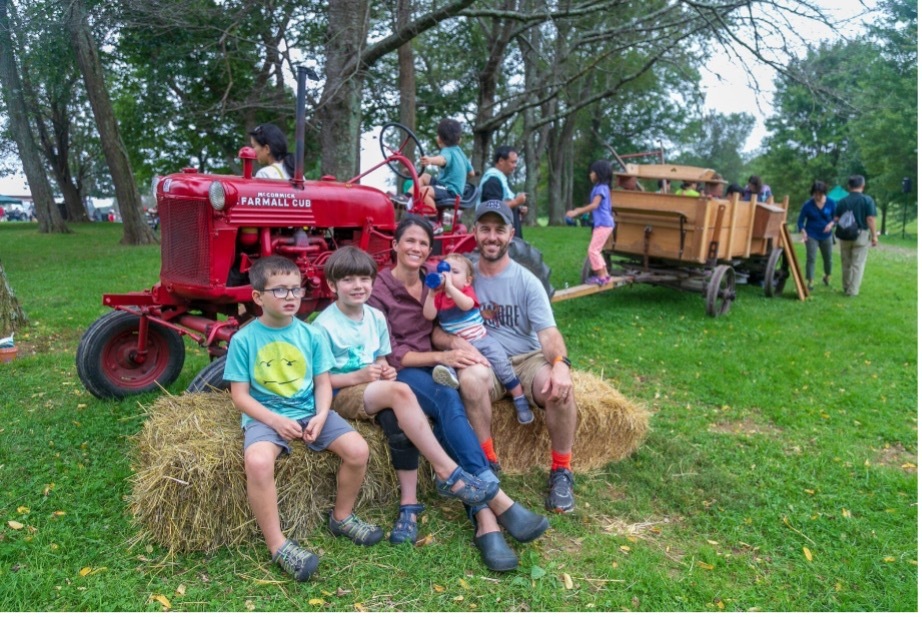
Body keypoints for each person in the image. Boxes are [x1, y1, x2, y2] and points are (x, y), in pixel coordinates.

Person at [368, 215, 549, 572]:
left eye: (423, 243)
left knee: (450, 401)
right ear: (395, 245)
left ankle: (487, 519)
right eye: (410, 241)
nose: (416, 248)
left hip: (436, 367)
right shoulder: (378, 290)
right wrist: (444, 354)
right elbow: (391, 353)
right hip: (402, 369)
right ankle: (496, 506)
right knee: (444, 400)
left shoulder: (434, 279)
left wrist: (454, 345)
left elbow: (445, 324)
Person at [312, 247, 499, 544]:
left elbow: (382, 359)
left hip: (372, 387)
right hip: (341, 391)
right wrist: (359, 376)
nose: (358, 286)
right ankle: (448, 471)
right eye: (348, 280)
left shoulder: (374, 317)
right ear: (332, 286)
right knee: (401, 391)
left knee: (397, 409)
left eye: (364, 279)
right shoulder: (323, 326)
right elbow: (320, 380)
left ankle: (411, 502)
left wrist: (385, 370)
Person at [223, 255, 383, 582]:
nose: (291, 297)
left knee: (358, 450)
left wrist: (323, 415)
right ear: (258, 297)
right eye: (280, 290)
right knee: (257, 462)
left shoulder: (311, 335)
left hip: (310, 411)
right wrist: (276, 421)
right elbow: (239, 396)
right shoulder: (244, 340)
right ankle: (278, 544)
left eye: (296, 289)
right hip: (266, 417)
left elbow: (323, 383)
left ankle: (342, 517)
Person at [435, 200, 579, 514]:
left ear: (511, 234)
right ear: (474, 232)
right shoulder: (461, 273)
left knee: (558, 391)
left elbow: (548, 334)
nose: (492, 236)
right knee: (471, 381)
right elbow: (436, 327)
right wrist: (454, 342)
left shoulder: (527, 281)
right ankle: (487, 464)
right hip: (484, 359)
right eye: (485, 229)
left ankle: (561, 471)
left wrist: (560, 366)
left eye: (499, 229)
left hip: (526, 359)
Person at [422, 252, 535, 425]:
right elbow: (429, 316)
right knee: (448, 361)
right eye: (444, 270)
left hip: (482, 340)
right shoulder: (439, 297)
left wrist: (450, 287)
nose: (447, 275)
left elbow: (466, 304)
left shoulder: (467, 291)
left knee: (501, 363)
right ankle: (450, 378)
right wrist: (431, 294)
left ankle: (519, 398)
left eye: (454, 271)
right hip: (457, 347)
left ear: (467, 280)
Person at [565, 160, 615, 286]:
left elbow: (594, 205)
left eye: (592, 172)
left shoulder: (602, 188)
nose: (590, 174)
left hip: (604, 223)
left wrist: (578, 211)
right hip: (603, 223)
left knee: (593, 250)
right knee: (596, 250)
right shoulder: (599, 187)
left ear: (600, 173)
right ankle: (605, 275)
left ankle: (601, 277)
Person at [417, 118, 475, 213]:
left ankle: (432, 220)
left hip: (449, 190)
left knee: (423, 192)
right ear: (459, 140)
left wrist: (430, 160)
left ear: (439, 138)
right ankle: (407, 198)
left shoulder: (447, 151)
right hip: (447, 187)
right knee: (424, 177)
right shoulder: (461, 153)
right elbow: (471, 173)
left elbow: (442, 160)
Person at [833, 175, 878, 296]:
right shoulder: (867, 200)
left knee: (846, 262)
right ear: (863, 186)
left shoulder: (842, 201)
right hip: (861, 234)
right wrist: (874, 236)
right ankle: (852, 291)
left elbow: (836, 218)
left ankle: (846, 286)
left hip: (844, 235)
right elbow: (870, 219)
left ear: (849, 186)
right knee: (857, 264)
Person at [480, 145, 528, 238]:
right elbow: (493, 208)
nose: (515, 166)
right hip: (498, 237)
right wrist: (516, 202)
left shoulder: (502, 180)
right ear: (501, 161)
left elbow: (504, 204)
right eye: (512, 162)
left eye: (516, 162)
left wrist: (518, 210)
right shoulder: (492, 180)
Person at [797, 181, 836, 291]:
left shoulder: (831, 203)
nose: (817, 196)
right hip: (811, 234)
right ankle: (810, 281)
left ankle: (827, 276)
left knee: (828, 258)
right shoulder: (807, 205)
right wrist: (803, 231)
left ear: (824, 193)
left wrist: (831, 224)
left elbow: (836, 218)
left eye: (819, 194)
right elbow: (800, 221)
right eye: (815, 194)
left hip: (826, 235)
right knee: (811, 258)